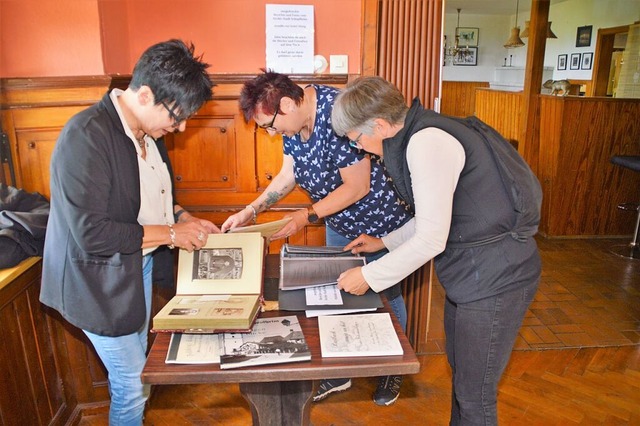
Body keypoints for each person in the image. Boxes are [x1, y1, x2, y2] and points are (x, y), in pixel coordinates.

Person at [331, 76, 542, 425]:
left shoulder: (425, 143)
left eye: (357, 139)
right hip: (474, 274)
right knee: (463, 379)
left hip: (497, 277)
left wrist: (368, 276)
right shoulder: (421, 132)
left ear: (380, 125)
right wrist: (384, 243)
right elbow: (438, 217)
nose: (361, 148)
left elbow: (431, 239)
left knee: (476, 396)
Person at [40, 39, 220, 425]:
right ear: (144, 94)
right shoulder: (86, 135)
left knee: (138, 372)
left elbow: (155, 197)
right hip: (96, 282)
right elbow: (93, 233)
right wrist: (172, 234)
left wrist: (184, 218)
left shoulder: (150, 134)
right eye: (176, 116)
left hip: (134, 270)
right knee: (134, 381)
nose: (181, 127)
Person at [221, 70, 411, 405]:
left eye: (269, 125)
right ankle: (340, 371)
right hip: (336, 219)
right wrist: (251, 211)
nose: (270, 133)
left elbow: (358, 186)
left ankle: (391, 368)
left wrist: (305, 216)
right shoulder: (292, 123)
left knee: (385, 292)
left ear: (286, 104)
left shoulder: (336, 113)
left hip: (378, 222)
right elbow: (288, 172)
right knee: (338, 289)